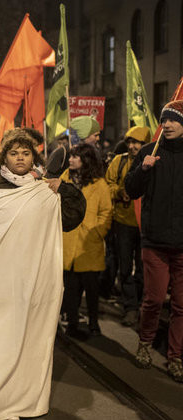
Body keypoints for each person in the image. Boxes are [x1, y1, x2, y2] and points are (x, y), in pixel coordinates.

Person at [125, 100, 183, 383]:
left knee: (181, 305)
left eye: (173, 119)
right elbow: (131, 189)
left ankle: (175, 356)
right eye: (164, 120)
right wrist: (143, 170)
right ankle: (145, 343)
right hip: (155, 242)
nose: (167, 124)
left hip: (182, 244)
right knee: (154, 299)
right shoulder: (150, 151)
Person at [0, 128, 86, 232]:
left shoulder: (46, 188)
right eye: (13, 153)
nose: (20, 158)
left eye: (26, 153)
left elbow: (71, 219)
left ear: (33, 158)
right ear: (4, 158)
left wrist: (65, 190)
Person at [59, 143, 113, 337]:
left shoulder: (99, 184)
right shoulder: (63, 180)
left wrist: (97, 232)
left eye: (75, 156)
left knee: (91, 288)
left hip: (89, 243)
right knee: (71, 288)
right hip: (68, 239)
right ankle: (72, 322)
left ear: (86, 160)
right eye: (71, 156)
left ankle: (93, 322)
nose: (71, 159)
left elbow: (106, 212)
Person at [105, 126, 150, 326]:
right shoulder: (119, 161)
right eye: (130, 142)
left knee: (143, 268)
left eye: (137, 142)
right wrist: (118, 192)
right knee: (124, 268)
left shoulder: (153, 162)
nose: (132, 146)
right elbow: (107, 185)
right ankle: (130, 307)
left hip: (145, 225)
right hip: (122, 222)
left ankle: (140, 304)